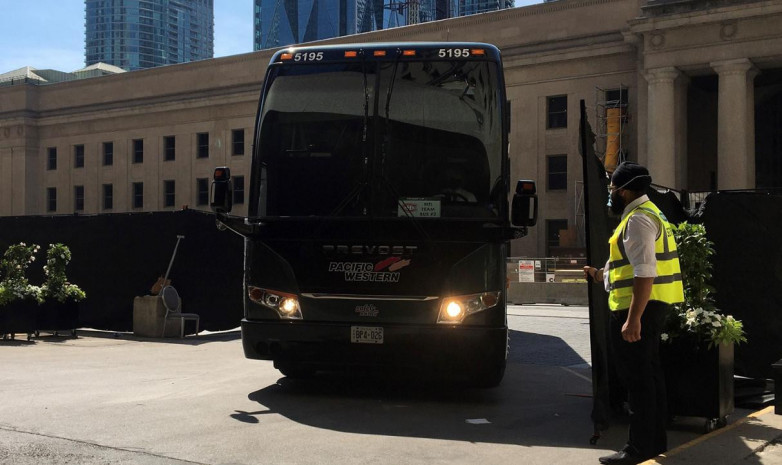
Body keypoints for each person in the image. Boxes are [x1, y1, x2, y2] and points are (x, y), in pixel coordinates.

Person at [584, 161, 685, 465]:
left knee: (638, 382)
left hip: (639, 308)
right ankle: (654, 442)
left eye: (613, 189)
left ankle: (638, 448)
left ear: (625, 191)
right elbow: (630, 265)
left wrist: (633, 318)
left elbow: (644, 272)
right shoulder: (652, 214)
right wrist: (600, 273)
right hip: (652, 306)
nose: (611, 194)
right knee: (649, 377)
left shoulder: (637, 220)